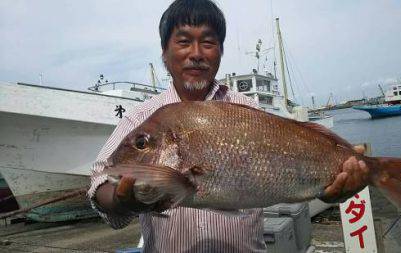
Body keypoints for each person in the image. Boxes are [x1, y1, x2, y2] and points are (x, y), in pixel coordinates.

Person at [88, 0, 369, 252]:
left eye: (208, 43)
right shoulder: (141, 118)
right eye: (184, 41)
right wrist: (122, 201)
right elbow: (101, 179)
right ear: (164, 53)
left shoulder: (249, 111)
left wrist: (337, 183)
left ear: (220, 51)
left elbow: (294, 158)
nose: (196, 53)